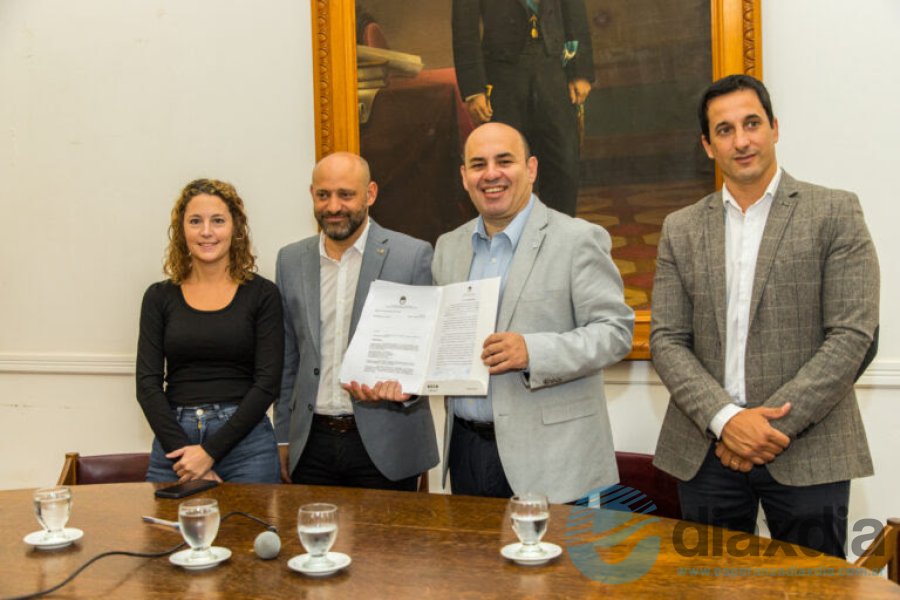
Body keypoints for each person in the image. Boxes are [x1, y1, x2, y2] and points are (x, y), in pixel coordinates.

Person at [651, 74, 880, 558]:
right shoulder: (681, 228)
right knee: (709, 589)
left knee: (812, 593)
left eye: (751, 123)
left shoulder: (834, 211)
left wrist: (766, 428)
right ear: (708, 146)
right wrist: (726, 419)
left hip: (809, 449)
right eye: (725, 130)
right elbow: (667, 340)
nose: (742, 140)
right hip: (706, 452)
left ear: (774, 128)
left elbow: (852, 335)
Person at [432, 122, 634, 503]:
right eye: (478, 164)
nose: (491, 174)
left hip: (554, 461)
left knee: (553, 566)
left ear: (532, 168)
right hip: (466, 453)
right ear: (464, 177)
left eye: (504, 161)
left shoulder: (577, 239)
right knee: (471, 564)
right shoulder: (448, 247)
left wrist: (533, 352)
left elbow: (615, 332)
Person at [274, 152, 439, 491]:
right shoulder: (290, 260)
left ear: (371, 194)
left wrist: (406, 391)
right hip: (311, 443)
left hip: (387, 442)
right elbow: (288, 356)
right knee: (314, 541)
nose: (333, 206)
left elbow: (427, 348)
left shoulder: (412, 256)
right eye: (323, 195)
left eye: (346, 195)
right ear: (312, 195)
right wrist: (282, 437)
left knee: (387, 545)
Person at [137, 179, 284, 483]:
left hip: (247, 448)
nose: (206, 231)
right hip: (174, 449)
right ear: (181, 230)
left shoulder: (263, 295)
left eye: (217, 220)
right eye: (195, 221)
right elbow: (147, 384)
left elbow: (268, 383)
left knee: (246, 533)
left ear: (236, 228)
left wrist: (209, 454)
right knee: (168, 532)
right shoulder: (158, 297)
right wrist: (186, 455)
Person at [452, 0, 593, 217]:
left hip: (554, 72)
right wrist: (473, 89)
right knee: (504, 165)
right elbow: (464, 26)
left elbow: (574, 13)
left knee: (564, 164)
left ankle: (559, 241)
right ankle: (510, 242)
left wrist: (580, 71)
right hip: (502, 77)